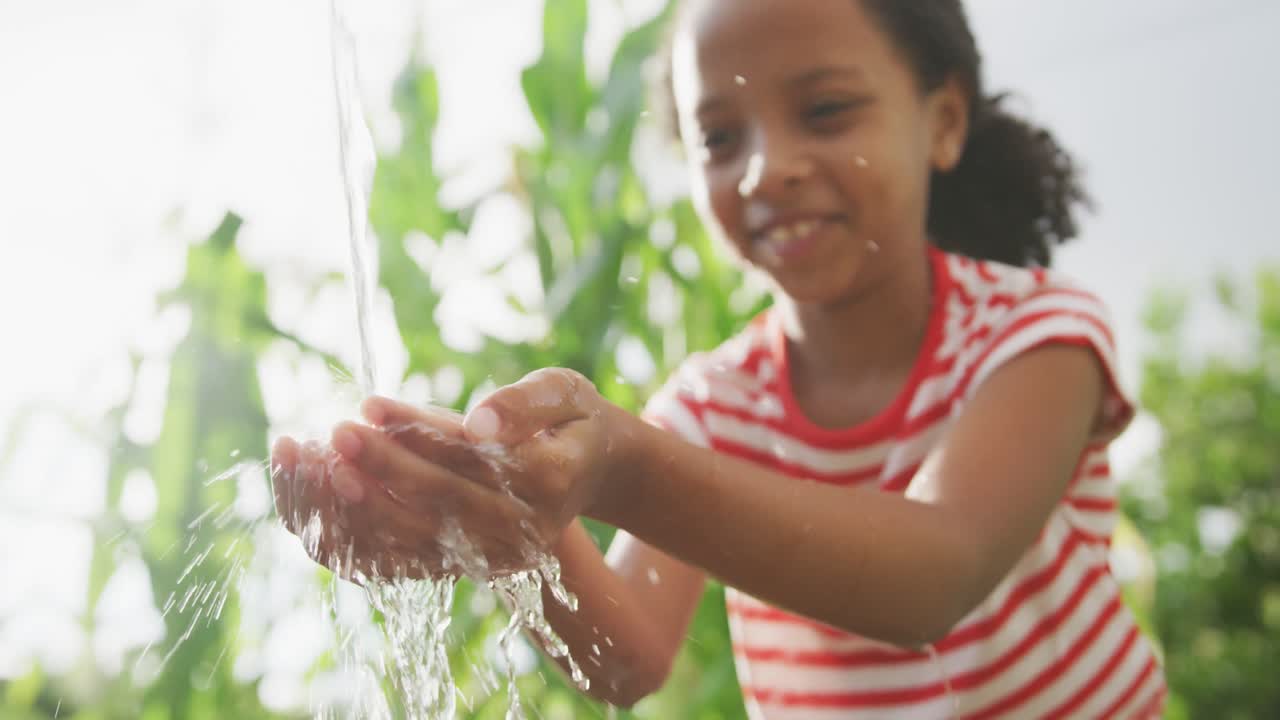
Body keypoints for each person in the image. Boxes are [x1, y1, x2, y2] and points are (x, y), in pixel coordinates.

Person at [270, 0, 1167, 716]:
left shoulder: (1036, 335)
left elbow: (934, 576)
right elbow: (625, 661)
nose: (767, 170)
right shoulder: (715, 403)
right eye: (721, 138)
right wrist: (494, 518)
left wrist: (618, 463)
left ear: (942, 122)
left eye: (825, 111)